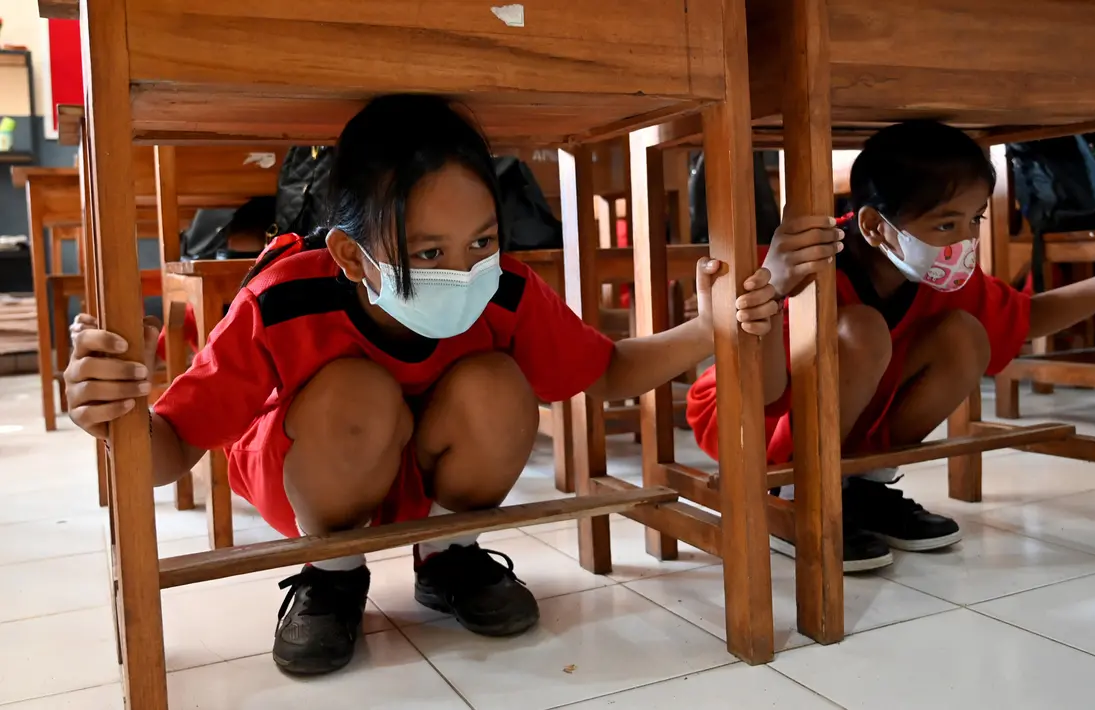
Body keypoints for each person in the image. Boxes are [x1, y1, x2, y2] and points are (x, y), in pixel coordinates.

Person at [62, 94, 774, 676]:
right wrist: (111, 414)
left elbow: (606, 372)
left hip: (428, 473)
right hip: (316, 470)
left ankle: (448, 557)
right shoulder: (284, 299)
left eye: (482, 242)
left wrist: (706, 327)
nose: (463, 270)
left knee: (501, 382)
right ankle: (332, 574)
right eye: (429, 252)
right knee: (355, 393)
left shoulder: (507, 293)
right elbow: (172, 444)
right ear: (348, 253)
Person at [687, 120, 1095, 572]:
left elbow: (1026, 317)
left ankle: (862, 486)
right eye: (944, 223)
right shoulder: (808, 264)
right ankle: (799, 490)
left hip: (845, 415)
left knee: (965, 336)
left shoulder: (938, 270)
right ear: (874, 226)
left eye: (974, 219)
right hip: (749, 417)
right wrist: (773, 288)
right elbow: (763, 391)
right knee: (862, 328)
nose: (963, 239)